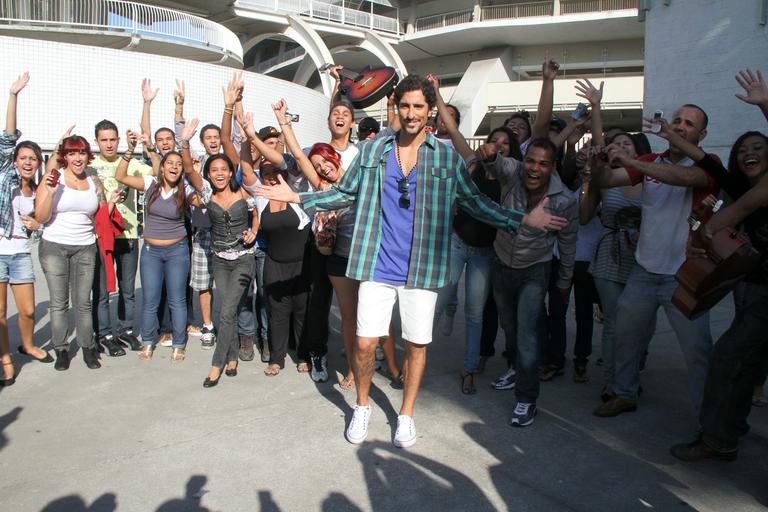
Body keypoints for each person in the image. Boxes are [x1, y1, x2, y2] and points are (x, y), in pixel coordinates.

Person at [255, 75, 567, 448]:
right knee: (366, 344)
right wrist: (297, 197)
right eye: (405, 105)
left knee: (417, 345)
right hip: (375, 264)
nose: (411, 113)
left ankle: (405, 414)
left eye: (419, 106)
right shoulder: (374, 151)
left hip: (422, 268)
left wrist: (521, 220)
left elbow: (476, 203)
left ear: (430, 110)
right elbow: (343, 192)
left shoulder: (446, 157)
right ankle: (362, 406)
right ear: (396, 108)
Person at [664, 68, 768, 461]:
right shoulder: (739, 185)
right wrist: (672, 136)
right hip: (751, 286)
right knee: (747, 362)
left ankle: (715, 438)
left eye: (757, 146)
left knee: (727, 360)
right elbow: (707, 163)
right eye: (742, 150)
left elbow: (731, 215)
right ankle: (731, 429)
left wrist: (763, 103)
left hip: (763, 292)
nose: (747, 153)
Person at [590, 104, 719, 418]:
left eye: (689, 124)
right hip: (644, 272)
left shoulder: (711, 163)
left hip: (686, 278)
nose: (679, 126)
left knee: (698, 352)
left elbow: (683, 177)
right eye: (677, 120)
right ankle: (624, 393)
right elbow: (606, 180)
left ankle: (711, 421)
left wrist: (631, 160)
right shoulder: (650, 162)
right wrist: (598, 162)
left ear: (701, 135)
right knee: (626, 337)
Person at [429, 74, 521, 395]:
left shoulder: (513, 178)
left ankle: (468, 369)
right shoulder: (472, 160)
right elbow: (452, 130)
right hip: (457, 242)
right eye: (493, 141)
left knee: (475, 314)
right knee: (437, 304)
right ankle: (415, 359)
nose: (497, 146)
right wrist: (438, 94)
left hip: (485, 251)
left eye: (505, 143)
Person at [36, 131, 119, 371]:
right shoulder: (53, 179)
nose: (78, 158)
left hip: (85, 247)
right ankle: (61, 348)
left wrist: (111, 201)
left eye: (81, 152)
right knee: (59, 302)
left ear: (87, 155)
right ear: (64, 156)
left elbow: (101, 215)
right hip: (54, 246)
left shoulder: (94, 182)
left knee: (83, 302)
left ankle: (87, 347)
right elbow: (41, 218)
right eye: (72, 153)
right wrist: (51, 194)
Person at [115, 130, 191, 362]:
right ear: (163, 166)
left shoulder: (185, 190)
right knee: (150, 299)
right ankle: (148, 341)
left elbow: (201, 199)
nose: (175, 167)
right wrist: (129, 149)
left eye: (179, 164)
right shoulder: (151, 184)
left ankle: (179, 343)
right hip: (151, 252)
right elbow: (121, 176)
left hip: (177, 250)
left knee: (177, 300)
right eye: (170, 163)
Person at [185, 149, 257, 387]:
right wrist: (184, 142)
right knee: (229, 311)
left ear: (230, 173)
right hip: (220, 261)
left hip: (243, 260)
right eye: (214, 170)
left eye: (223, 169)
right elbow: (188, 171)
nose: (219, 173)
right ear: (208, 174)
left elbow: (257, 212)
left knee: (226, 312)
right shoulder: (207, 195)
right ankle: (233, 356)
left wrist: (254, 231)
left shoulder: (243, 191)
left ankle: (217, 364)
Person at [0, 72, 51, 387]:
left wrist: (36, 223)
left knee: (29, 310)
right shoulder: (4, 175)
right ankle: (5, 359)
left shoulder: (36, 189)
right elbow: (8, 137)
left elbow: (41, 219)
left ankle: (28, 344)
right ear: (14, 160)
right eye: (23, 157)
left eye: (33, 158)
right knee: (0, 314)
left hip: (20, 254)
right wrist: (13, 95)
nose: (28, 162)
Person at [88, 118, 153, 356]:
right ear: (96, 141)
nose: (108, 144)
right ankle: (104, 334)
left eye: (112, 139)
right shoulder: (89, 166)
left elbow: (157, 172)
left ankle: (125, 330)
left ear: (118, 140)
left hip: (128, 234)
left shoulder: (132, 163)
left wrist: (148, 146)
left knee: (127, 288)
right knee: (103, 291)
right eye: (103, 140)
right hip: (100, 236)